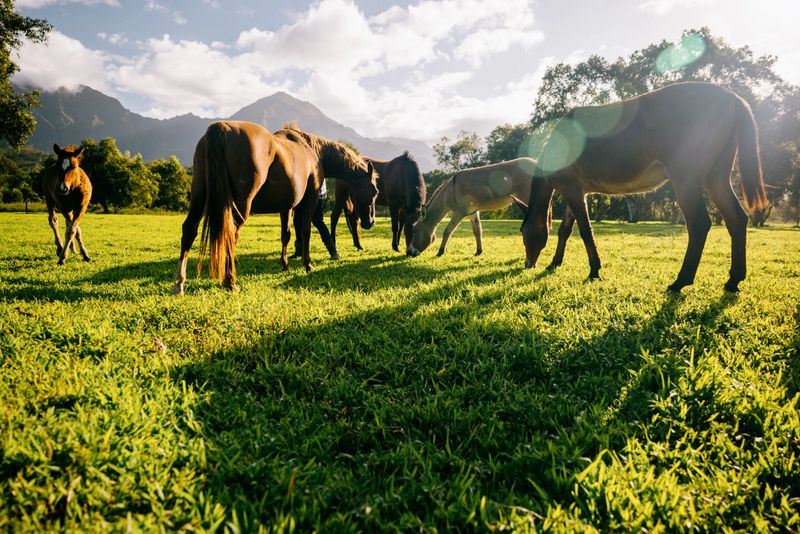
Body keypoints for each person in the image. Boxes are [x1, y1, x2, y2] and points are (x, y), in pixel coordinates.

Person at [290, 178, 338, 260]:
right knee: (297, 221)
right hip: (301, 194)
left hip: (316, 194)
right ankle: (299, 250)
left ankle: (333, 251)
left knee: (318, 221)